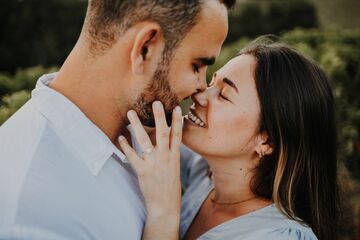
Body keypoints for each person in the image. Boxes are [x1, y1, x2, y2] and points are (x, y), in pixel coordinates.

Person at [0, 0, 236, 239]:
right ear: (145, 48)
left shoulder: (140, 124)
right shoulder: (29, 217)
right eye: (196, 66)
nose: (201, 87)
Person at [119, 39, 340, 240]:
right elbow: (153, 138)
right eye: (212, 82)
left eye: (223, 95)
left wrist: (164, 213)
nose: (200, 94)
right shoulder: (208, 174)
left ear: (267, 141)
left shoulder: (278, 237)